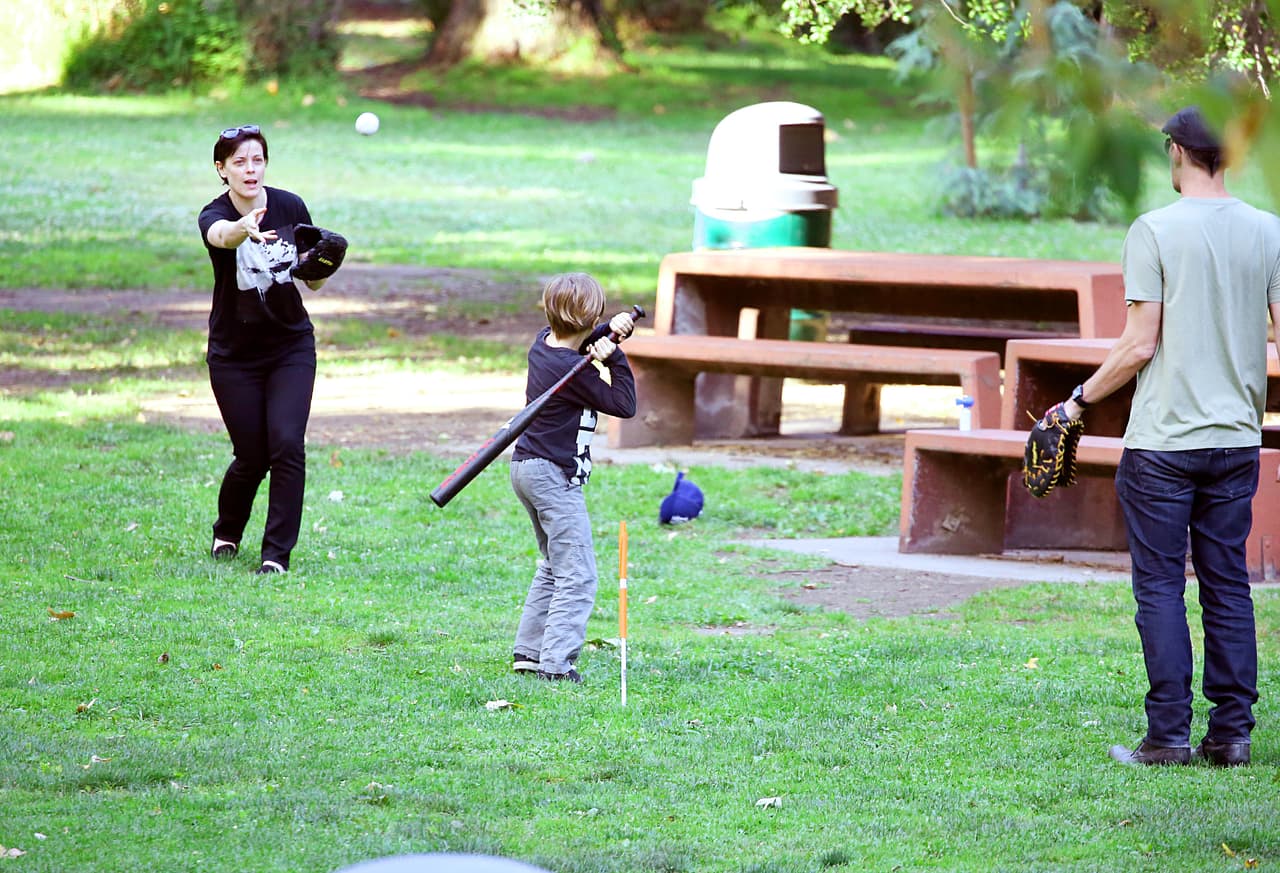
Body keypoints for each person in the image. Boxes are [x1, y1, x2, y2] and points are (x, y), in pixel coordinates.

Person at [1046, 107, 1280, 766]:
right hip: (1237, 440)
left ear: (1176, 152)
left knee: (1159, 587)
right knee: (1227, 585)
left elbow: (1139, 343)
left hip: (1163, 445)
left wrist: (1078, 399)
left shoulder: (1152, 230)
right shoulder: (1269, 231)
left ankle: (1167, 736)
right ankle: (1232, 734)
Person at [197, 123, 336, 575]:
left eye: (257, 159)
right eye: (239, 162)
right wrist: (242, 227)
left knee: (286, 445)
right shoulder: (214, 214)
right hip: (233, 355)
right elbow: (220, 236)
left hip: (290, 346)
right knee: (251, 454)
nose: (250, 169)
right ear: (222, 169)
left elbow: (310, 280)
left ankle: (276, 556)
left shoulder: (290, 206)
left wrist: (322, 265)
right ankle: (228, 529)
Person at [509, 273, 636, 683]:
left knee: (553, 565)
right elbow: (623, 403)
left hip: (525, 468)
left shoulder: (543, 343)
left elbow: (577, 340)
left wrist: (608, 332)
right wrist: (613, 357)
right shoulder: (574, 373)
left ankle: (529, 653)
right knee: (578, 574)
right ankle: (557, 665)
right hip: (553, 476)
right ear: (591, 315)